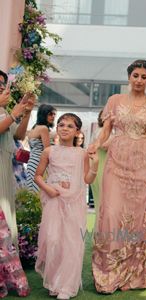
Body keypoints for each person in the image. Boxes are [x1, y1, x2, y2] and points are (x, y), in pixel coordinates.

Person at [90, 60, 146, 293]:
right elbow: (106, 130)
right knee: (111, 214)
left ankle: (134, 274)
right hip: (116, 162)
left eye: (144, 77)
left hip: (143, 165)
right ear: (129, 77)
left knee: (137, 218)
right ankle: (109, 273)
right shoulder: (114, 100)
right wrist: (96, 144)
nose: (139, 80)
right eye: (136, 75)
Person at [35, 113, 98, 300]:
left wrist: (95, 166)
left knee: (71, 242)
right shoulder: (49, 151)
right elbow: (38, 175)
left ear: (77, 131)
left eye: (70, 126)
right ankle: (54, 281)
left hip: (74, 202)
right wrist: (49, 189)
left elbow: (87, 179)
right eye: (61, 124)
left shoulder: (82, 153)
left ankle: (66, 286)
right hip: (54, 201)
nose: (64, 128)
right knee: (53, 240)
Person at [0, 70, 35, 245]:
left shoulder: (4, 111)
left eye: (2, 83)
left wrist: (26, 113)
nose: (0, 87)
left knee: (6, 217)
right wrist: (14, 114)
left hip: (5, 170)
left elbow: (19, 136)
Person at [26, 104, 56, 193]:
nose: (53, 116)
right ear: (44, 115)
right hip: (40, 164)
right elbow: (48, 150)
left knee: (32, 192)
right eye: (50, 114)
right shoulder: (43, 129)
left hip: (32, 163)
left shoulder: (34, 128)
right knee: (41, 193)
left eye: (54, 114)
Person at [89, 110, 108, 231]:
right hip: (100, 166)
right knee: (102, 201)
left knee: (103, 202)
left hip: (105, 166)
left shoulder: (103, 131)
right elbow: (105, 145)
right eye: (104, 114)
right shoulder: (101, 131)